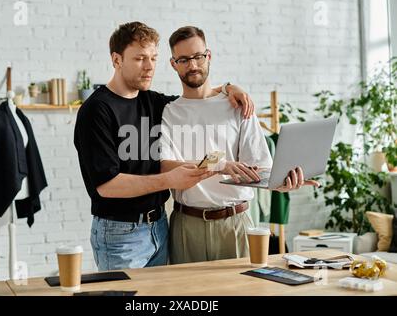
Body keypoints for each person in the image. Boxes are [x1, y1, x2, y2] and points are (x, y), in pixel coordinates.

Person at [74, 21, 256, 271]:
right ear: (117, 60)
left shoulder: (154, 102)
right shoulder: (96, 110)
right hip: (120, 234)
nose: (149, 67)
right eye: (139, 58)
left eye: (153, 58)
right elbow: (107, 185)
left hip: (159, 227)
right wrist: (170, 180)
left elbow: (197, 97)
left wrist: (227, 88)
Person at [160, 26, 320, 264]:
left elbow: (260, 170)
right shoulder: (170, 112)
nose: (192, 65)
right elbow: (166, 168)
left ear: (209, 56)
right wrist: (219, 164)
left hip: (235, 224)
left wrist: (283, 183)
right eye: (183, 59)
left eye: (198, 56)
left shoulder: (237, 105)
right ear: (173, 64)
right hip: (187, 226)